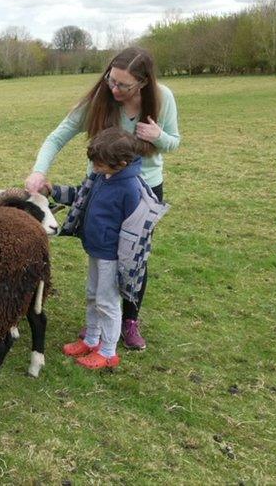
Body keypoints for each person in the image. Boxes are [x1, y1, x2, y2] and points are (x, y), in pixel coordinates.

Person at [25, 47, 180, 349]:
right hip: (100, 187)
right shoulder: (100, 100)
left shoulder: (164, 98)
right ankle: (98, 324)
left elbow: (174, 143)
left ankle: (129, 321)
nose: (115, 88)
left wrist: (158, 136)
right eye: (112, 80)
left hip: (142, 192)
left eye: (124, 85)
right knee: (102, 255)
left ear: (143, 83)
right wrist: (39, 172)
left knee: (132, 258)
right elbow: (58, 135)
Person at [52, 128, 168, 369]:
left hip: (112, 257)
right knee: (93, 295)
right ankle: (91, 340)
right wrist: (51, 190)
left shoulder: (131, 189)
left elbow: (135, 231)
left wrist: (124, 265)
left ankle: (107, 351)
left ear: (122, 163)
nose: (94, 168)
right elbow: (79, 195)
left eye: (100, 164)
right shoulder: (102, 177)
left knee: (108, 302)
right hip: (95, 249)